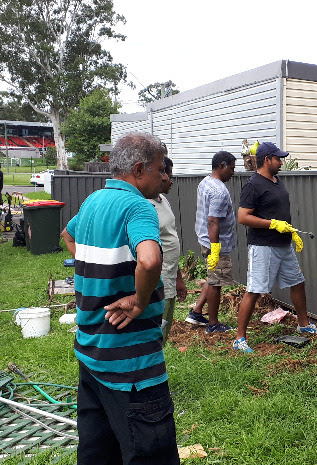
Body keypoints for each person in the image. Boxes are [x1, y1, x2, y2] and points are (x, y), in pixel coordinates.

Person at [61, 133, 180, 465]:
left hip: (91, 358)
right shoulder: (138, 207)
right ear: (140, 169)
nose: (165, 176)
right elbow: (151, 260)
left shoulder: (93, 201)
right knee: (150, 455)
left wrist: (100, 271)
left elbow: (68, 235)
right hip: (133, 369)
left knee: (99, 454)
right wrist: (140, 301)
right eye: (160, 169)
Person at [235, 142, 317, 353]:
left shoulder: (276, 180)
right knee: (254, 290)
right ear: (266, 160)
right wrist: (272, 224)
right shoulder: (253, 185)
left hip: (283, 244)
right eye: (278, 158)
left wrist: (290, 231)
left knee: (297, 282)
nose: (281, 162)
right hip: (263, 246)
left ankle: (303, 324)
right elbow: (243, 217)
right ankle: (239, 339)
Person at [189, 151, 237, 333]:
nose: (233, 172)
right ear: (222, 166)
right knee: (217, 283)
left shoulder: (205, 182)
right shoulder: (218, 191)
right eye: (231, 168)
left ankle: (196, 312)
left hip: (205, 239)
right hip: (215, 243)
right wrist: (216, 248)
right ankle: (213, 324)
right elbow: (213, 220)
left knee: (212, 277)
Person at [149, 155, 187, 344]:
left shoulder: (163, 200)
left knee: (165, 327)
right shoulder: (146, 206)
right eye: (169, 174)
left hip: (170, 276)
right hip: (156, 280)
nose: (171, 180)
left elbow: (169, 240)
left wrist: (178, 278)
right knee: (156, 329)